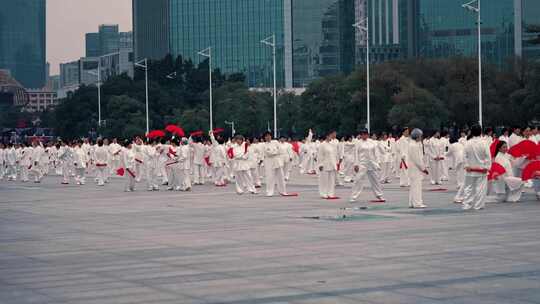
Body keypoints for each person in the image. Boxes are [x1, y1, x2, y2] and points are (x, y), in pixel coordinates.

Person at [349, 129, 385, 202]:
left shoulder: (372, 142)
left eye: (365, 134)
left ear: (368, 135)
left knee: (375, 180)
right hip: (362, 164)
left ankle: (379, 195)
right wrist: (356, 164)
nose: (364, 135)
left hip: (371, 163)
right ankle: (354, 196)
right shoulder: (358, 143)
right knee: (358, 180)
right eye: (362, 134)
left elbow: (376, 153)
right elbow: (356, 154)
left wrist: (377, 163)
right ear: (361, 135)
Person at [462, 125, 492, 210]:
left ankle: (466, 205)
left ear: (471, 132)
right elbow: (488, 156)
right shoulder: (484, 143)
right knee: (480, 189)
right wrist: (487, 167)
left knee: (468, 188)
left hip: (470, 169)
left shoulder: (467, 143)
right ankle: (478, 205)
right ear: (481, 132)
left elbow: (464, 156)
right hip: (481, 169)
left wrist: (466, 165)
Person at [408, 128, 429, 208]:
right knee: (417, 186)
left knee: (413, 186)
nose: (421, 138)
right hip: (415, 168)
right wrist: (423, 168)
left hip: (414, 168)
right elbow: (418, 159)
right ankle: (417, 203)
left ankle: (412, 202)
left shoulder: (414, 144)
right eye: (420, 136)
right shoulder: (414, 146)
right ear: (417, 136)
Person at [262, 131, 288, 197]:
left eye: (269, 136)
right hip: (269, 162)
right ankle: (269, 191)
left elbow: (280, 150)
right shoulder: (264, 145)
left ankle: (283, 191)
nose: (268, 137)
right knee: (270, 177)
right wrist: (275, 152)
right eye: (266, 136)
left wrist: (274, 152)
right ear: (264, 137)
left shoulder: (275, 142)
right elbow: (268, 153)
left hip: (277, 161)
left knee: (281, 177)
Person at [317, 131, 339, 199]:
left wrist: (336, 163)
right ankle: (323, 193)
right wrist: (320, 164)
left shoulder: (332, 144)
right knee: (324, 180)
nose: (331, 137)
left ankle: (330, 193)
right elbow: (320, 155)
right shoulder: (322, 144)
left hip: (332, 164)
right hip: (325, 164)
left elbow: (334, 154)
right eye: (330, 136)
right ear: (327, 136)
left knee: (331, 180)